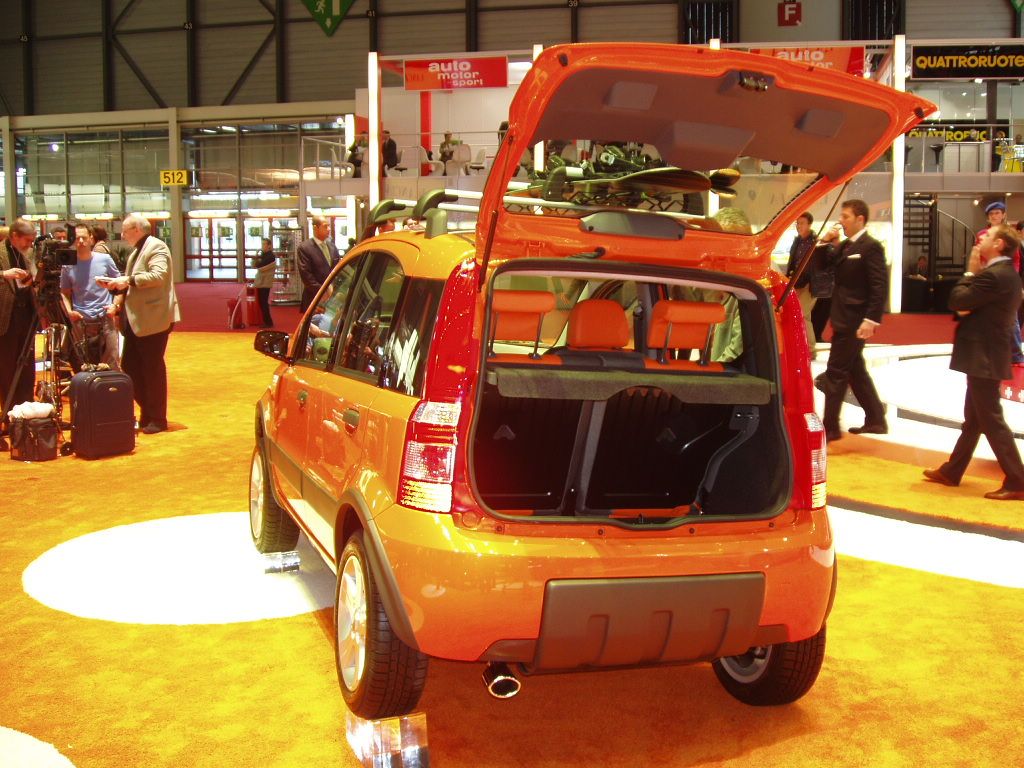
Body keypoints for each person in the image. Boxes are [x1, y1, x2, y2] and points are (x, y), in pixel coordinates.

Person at [923, 225, 1024, 500]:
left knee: (989, 419)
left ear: (1000, 244)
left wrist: (969, 271)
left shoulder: (993, 275)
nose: (981, 241)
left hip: (984, 356)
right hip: (988, 355)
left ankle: (1017, 480)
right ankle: (952, 471)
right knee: (976, 420)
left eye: (988, 237)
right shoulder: (1006, 275)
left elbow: (957, 300)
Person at [814, 199, 888, 441]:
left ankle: (831, 427)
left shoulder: (871, 247)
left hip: (856, 320)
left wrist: (871, 319)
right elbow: (822, 264)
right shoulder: (845, 246)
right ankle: (876, 419)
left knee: (836, 373)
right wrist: (825, 243)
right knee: (856, 371)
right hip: (843, 317)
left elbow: (879, 286)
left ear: (860, 219)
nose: (842, 221)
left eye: (846, 217)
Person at [103, 214, 180, 434]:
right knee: (133, 368)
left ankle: (157, 417)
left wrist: (126, 280)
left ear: (137, 229)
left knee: (152, 369)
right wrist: (117, 290)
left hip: (153, 319)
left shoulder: (156, 247)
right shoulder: (139, 249)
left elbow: (158, 275)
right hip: (139, 320)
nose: (122, 234)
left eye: (125, 230)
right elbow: (133, 281)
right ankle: (148, 413)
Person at [0, 219, 39, 450]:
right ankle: (7, 418)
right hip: (5, 322)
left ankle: (23, 417)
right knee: (6, 370)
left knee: (26, 370)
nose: (29, 244)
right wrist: (4, 274)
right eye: (27, 240)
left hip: (26, 320)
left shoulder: (28, 254)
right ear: (14, 235)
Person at [60, 224, 121, 370]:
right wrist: (69, 311)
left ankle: (110, 390)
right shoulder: (68, 265)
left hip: (105, 316)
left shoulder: (105, 259)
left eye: (84, 237)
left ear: (91, 239)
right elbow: (64, 292)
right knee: (83, 363)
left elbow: (120, 285)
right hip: (80, 319)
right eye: (77, 238)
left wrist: (115, 306)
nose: (80, 241)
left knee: (111, 361)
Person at [976, 201, 1023, 363]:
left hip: (1006, 277)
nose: (994, 216)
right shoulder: (982, 234)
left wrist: (1012, 275)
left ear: (1003, 215)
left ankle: (1016, 355)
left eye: (997, 213)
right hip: (988, 276)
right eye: (991, 214)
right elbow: (979, 256)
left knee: (1011, 317)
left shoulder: (1010, 234)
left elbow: (1016, 259)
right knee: (986, 314)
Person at [785, 212, 819, 345]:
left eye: (802, 223)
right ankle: (802, 344)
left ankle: (810, 347)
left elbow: (811, 268)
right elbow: (792, 262)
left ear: (809, 224)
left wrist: (799, 284)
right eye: (797, 223)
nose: (799, 226)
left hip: (809, 284)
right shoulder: (797, 240)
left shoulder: (815, 242)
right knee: (801, 315)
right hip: (796, 282)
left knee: (802, 315)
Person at [297, 215, 340, 312]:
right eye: (325, 226)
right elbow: (306, 276)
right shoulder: (305, 248)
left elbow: (338, 269)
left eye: (329, 226)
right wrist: (323, 292)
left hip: (333, 299)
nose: (329, 229)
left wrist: (335, 289)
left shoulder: (332, 247)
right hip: (314, 297)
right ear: (316, 228)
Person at [252, 238, 276, 328]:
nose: (262, 246)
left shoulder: (270, 256)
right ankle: (265, 320)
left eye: (264, 244)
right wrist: (257, 257)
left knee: (263, 302)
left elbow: (260, 266)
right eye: (262, 244)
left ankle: (268, 322)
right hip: (261, 282)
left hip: (265, 282)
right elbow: (254, 265)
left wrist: (257, 261)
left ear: (269, 245)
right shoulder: (263, 254)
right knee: (261, 302)